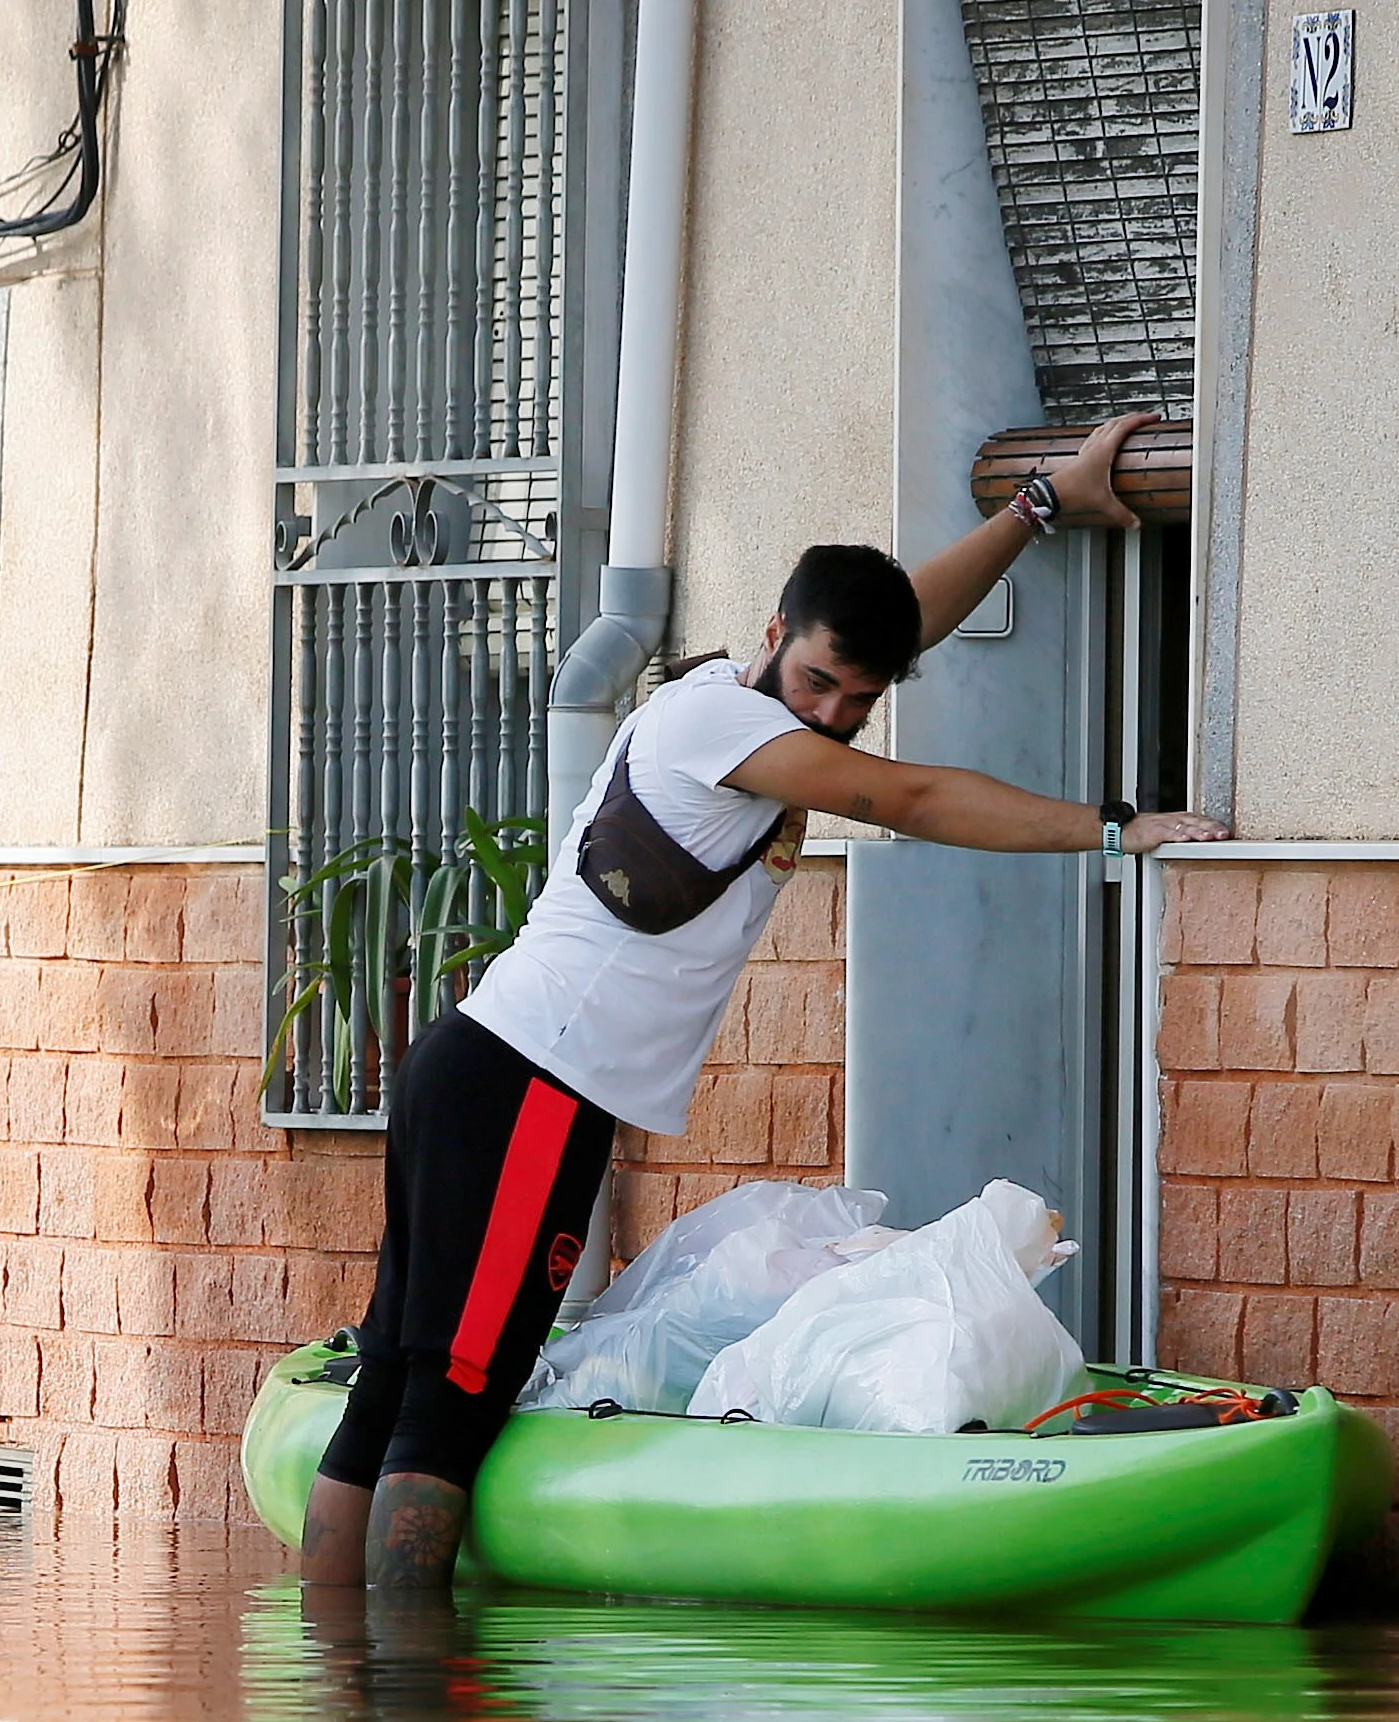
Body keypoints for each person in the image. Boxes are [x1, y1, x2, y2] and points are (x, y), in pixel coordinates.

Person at [296, 408, 1232, 1597]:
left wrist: (1034, 509)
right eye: (820, 684)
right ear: (773, 635)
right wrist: (1115, 827)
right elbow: (917, 798)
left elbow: (898, 624)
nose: (836, 714)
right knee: (450, 1395)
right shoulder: (727, 724)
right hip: (532, 1084)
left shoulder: (741, 698)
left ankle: (343, 1703)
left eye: (857, 697)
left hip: (490, 1066)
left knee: (398, 1373)